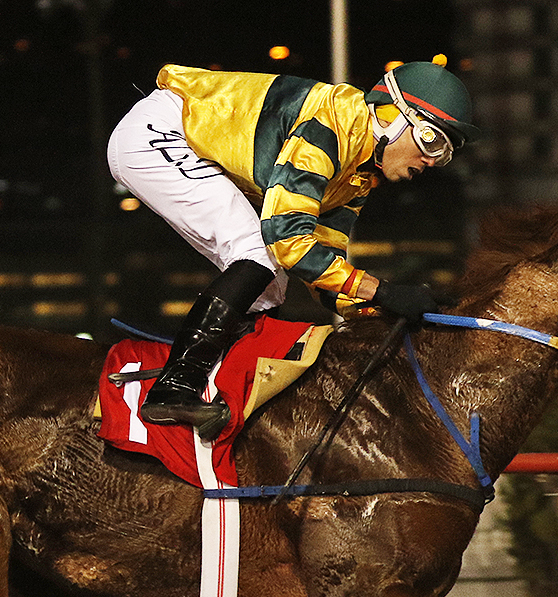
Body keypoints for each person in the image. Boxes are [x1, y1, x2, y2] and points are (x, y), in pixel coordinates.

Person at [107, 60, 478, 439]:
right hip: (159, 131)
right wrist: (382, 290)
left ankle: (220, 383)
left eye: (444, 154)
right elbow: (287, 240)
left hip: (183, 141)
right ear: (393, 117)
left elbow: (323, 266)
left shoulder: (359, 174)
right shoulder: (331, 124)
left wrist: (378, 309)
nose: (431, 161)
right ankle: (174, 388)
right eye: (431, 141)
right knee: (258, 252)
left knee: (270, 288)